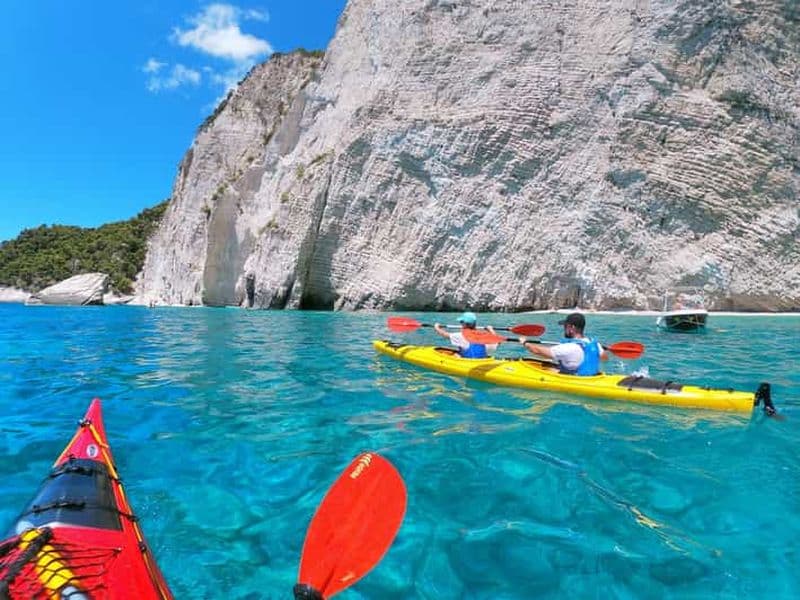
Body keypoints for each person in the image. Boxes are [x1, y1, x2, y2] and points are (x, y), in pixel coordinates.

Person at [519, 312, 608, 375]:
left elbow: (537, 351)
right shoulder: (594, 343)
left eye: (565, 326)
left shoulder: (568, 347)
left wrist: (525, 342)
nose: (564, 329)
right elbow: (604, 358)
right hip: (592, 377)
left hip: (575, 380)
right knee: (551, 366)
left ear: (571, 328)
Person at [434, 312, 498, 359]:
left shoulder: (461, 336)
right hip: (482, 361)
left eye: (461, 322)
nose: (460, 323)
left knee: (456, 355)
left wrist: (437, 327)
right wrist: (490, 330)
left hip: (468, 363)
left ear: (464, 324)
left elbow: (445, 335)